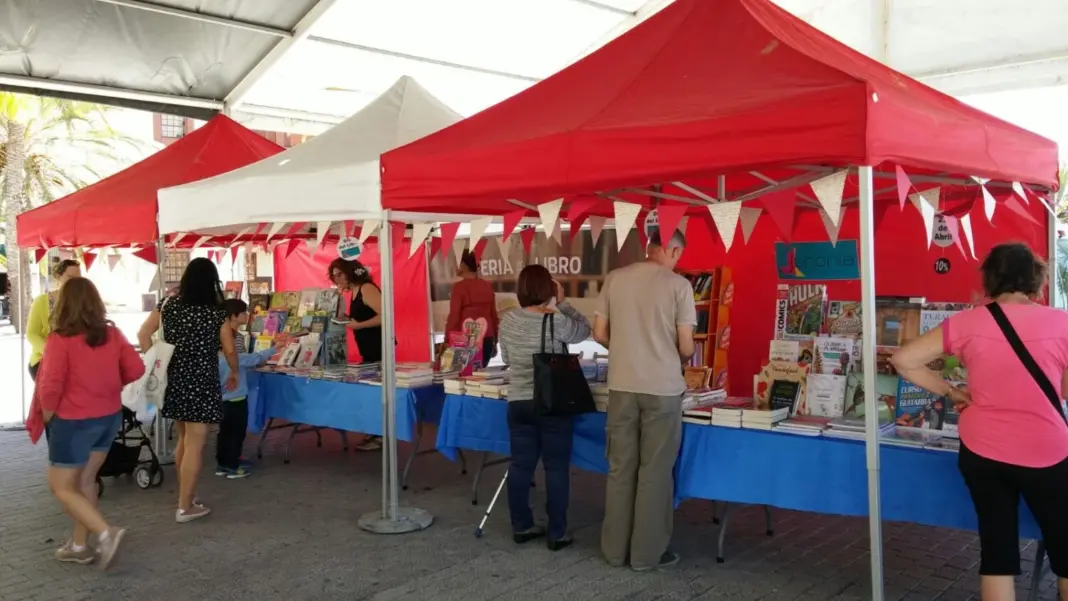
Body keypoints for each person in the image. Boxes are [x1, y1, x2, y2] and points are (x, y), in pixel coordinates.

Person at [892, 243, 1068, 601]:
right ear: (1037, 280)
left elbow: (903, 359)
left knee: (997, 553)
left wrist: (951, 392)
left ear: (990, 279)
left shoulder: (968, 321)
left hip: (982, 451)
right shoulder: (1061, 322)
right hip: (1047, 449)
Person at [594, 228, 696, 571]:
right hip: (663, 389)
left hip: (622, 385)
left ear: (648, 247)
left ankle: (613, 551)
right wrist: (679, 355)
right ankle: (645, 556)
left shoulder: (615, 278)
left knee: (620, 468)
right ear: (674, 251)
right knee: (654, 473)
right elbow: (686, 346)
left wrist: (624, 350)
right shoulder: (679, 286)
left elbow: (598, 333)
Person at [35, 278, 144, 569]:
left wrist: (47, 414)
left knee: (60, 486)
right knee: (86, 481)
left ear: (65, 304)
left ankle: (106, 533)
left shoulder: (60, 338)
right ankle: (80, 546)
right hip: (108, 417)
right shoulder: (113, 334)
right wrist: (110, 384)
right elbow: (136, 368)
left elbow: (50, 385)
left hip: (72, 421)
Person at [498, 264, 591, 550]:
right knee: (556, 467)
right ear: (548, 289)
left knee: (520, 465)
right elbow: (586, 330)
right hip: (553, 403)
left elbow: (506, 357)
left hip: (519, 402)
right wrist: (563, 303)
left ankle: (522, 526)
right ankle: (557, 533)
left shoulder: (508, 319)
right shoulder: (557, 321)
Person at [138, 258, 238, 523]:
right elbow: (229, 348)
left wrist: (156, 362)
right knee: (196, 442)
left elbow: (143, 334)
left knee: (184, 438)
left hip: (173, 379)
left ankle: (186, 495)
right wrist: (235, 371)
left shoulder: (168, 304)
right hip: (203, 381)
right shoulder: (216, 312)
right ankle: (184, 507)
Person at [328, 258, 384, 451]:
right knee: (371, 390)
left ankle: (380, 435)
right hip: (367, 346)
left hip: (379, 345)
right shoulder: (353, 292)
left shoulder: (367, 288)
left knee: (377, 391)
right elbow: (362, 315)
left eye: (339, 274)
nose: (336, 279)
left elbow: (384, 315)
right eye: (334, 275)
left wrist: (357, 325)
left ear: (350, 272)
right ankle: (375, 432)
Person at [215, 299, 275, 479]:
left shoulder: (226, 336)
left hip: (226, 393)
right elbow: (241, 360)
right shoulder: (231, 338)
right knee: (235, 431)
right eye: (244, 313)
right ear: (233, 316)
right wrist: (270, 351)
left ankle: (224, 463)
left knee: (226, 431)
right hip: (233, 393)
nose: (247, 316)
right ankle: (232, 465)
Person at [26, 259, 81, 381]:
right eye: (70, 277)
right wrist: (51, 352)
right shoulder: (41, 301)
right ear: (58, 277)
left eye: (79, 278)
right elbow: (31, 333)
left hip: (74, 363)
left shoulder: (83, 302)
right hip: (44, 360)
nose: (76, 282)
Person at [446, 250, 499, 366]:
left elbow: (454, 317)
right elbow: (493, 316)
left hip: (466, 340)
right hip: (488, 339)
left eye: (457, 262)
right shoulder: (488, 286)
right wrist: (495, 341)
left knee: (465, 379)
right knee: (480, 379)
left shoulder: (459, 288)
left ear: (464, 265)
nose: (455, 266)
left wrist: (446, 340)